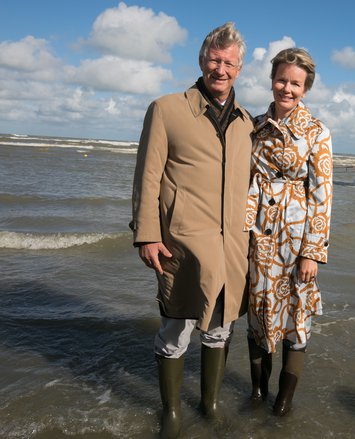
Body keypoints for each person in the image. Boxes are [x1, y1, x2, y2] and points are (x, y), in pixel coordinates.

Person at [130, 22, 253, 438]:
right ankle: (171, 413)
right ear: (202, 61)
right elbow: (147, 176)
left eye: (230, 62)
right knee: (176, 327)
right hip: (180, 244)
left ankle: (210, 404)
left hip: (232, 246)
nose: (221, 69)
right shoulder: (166, 109)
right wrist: (147, 233)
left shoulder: (246, 122)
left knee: (220, 328)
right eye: (215, 60)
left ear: (240, 67)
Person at [243, 47, 333, 417]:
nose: (287, 88)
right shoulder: (254, 125)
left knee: (297, 319)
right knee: (257, 312)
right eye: (281, 79)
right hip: (257, 235)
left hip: (297, 240)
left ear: (306, 87)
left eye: (296, 83)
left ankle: (284, 401)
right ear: (272, 80)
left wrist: (313, 251)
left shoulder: (317, 132)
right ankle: (257, 393)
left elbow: (323, 194)